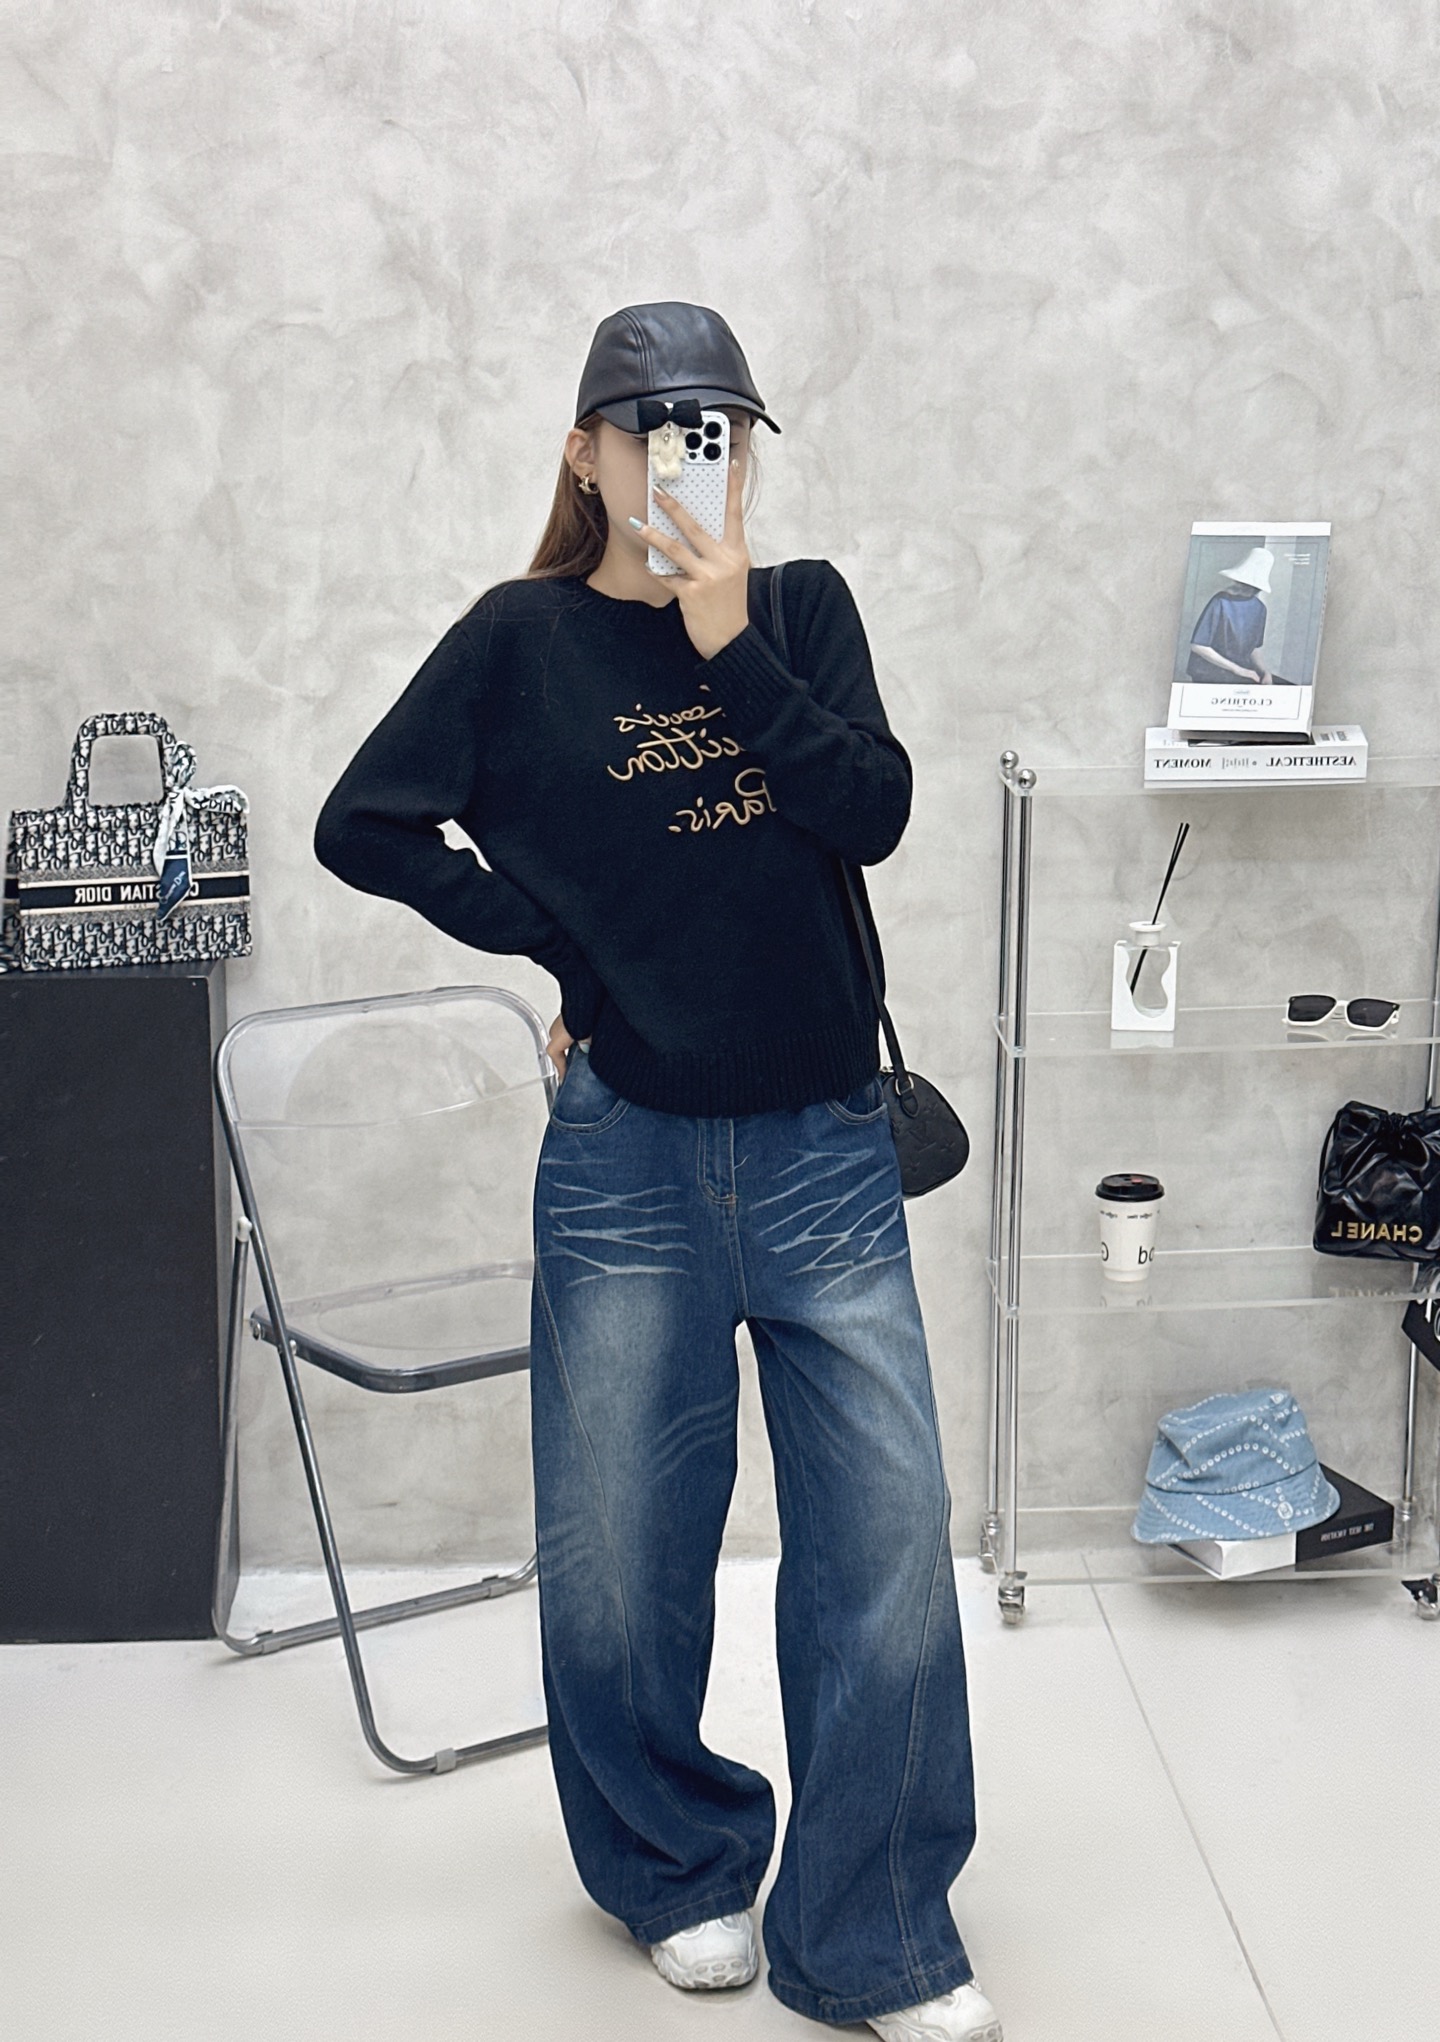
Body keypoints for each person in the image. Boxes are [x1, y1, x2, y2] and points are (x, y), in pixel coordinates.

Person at [312, 301, 1001, 2042]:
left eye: (721, 431)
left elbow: (872, 810)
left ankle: (871, 1931)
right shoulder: (517, 641)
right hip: (627, 1158)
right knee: (621, 1556)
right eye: (659, 427)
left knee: (888, 1549)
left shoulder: (801, 609)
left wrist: (727, 638)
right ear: (584, 449)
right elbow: (363, 821)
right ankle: (677, 1863)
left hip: (825, 1150)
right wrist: (555, 945)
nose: (694, 457)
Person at [1185, 544, 1275, 684]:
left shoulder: (1260, 609)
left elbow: (1252, 648)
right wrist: (1238, 670)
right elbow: (1198, 646)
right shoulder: (1220, 601)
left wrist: (1264, 672)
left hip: (1239, 675)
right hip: (1208, 674)